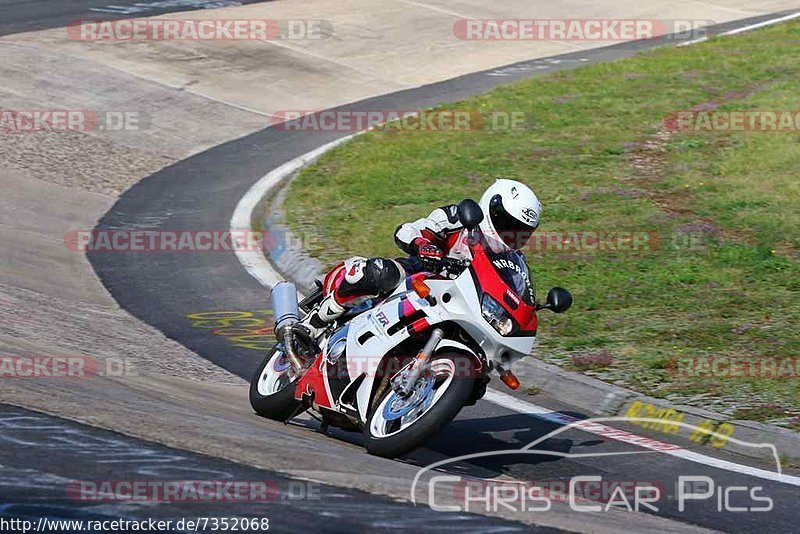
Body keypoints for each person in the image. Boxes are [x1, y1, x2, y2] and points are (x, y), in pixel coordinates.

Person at [299, 178, 542, 338]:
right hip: (420, 275)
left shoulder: (511, 261)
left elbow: (513, 292)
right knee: (379, 272)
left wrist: (528, 308)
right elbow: (407, 230)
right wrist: (424, 246)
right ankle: (318, 319)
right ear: (491, 208)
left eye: (521, 232)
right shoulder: (458, 218)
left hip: (456, 305)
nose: (512, 235)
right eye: (508, 224)